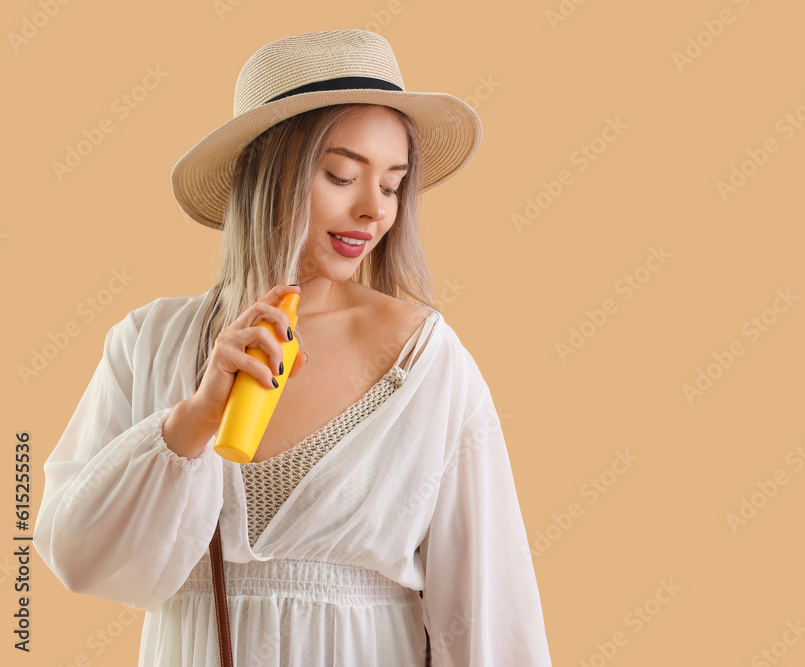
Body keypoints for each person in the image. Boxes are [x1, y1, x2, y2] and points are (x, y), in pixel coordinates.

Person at [34, 29, 552, 666]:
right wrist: (190, 422)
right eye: (341, 175)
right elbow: (81, 558)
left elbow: (487, 610)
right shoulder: (149, 343)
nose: (373, 211)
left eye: (392, 185)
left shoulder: (426, 360)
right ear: (267, 173)